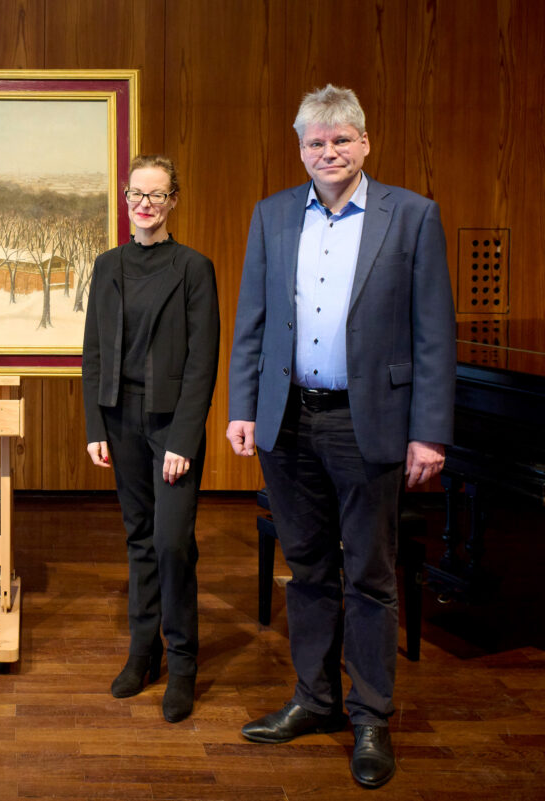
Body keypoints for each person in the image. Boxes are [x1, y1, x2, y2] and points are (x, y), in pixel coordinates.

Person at [226, 85, 455, 788]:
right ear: (300, 149)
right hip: (287, 420)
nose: (328, 152)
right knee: (308, 568)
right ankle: (315, 699)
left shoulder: (411, 216)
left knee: (372, 575)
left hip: (371, 423)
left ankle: (370, 717)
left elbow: (433, 336)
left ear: (364, 143)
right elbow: (253, 323)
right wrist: (244, 407)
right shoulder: (271, 216)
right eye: (315, 142)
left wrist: (429, 433)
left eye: (341, 140)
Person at [83, 154, 220, 723]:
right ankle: (145, 654)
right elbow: (92, 351)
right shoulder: (107, 266)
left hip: (171, 425)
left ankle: (183, 663)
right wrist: (95, 425)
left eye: (156, 194)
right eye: (136, 193)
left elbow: (202, 362)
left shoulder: (193, 268)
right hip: (120, 419)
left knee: (172, 543)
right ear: (125, 198)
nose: (144, 203)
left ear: (172, 202)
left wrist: (185, 439)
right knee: (139, 540)